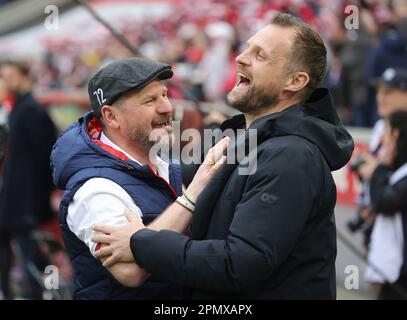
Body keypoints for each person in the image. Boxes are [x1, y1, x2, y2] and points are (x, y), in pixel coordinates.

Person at [91, 13, 354, 299]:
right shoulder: (250, 141)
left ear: (295, 81)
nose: (240, 58)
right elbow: (187, 173)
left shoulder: (291, 155)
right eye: (246, 48)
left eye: (260, 55)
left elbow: (239, 263)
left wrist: (140, 242)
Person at [50, 58, 228, 300]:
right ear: (111, 117)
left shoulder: (158, 158)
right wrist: (192, 195)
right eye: (150, 100)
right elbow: (131, 272)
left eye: (165, 95)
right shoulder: (94, 190)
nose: (167, 107)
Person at [0, 61, 57, 299]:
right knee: (27, 253)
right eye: (4, 77)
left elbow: (45, 157)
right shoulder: (20, 108)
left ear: (24, 76)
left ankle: (42, 293)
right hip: (19, 200)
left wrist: (40, 201)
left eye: (11, 76)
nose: (6, 81)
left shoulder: (31, 110)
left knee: (33, 256)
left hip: (28, 203)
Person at [358, 110, 407, 299]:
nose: (382, 138)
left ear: (395, 135)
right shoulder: (398, 170)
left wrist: (381, 167)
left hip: (399, 274)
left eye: (385, 131)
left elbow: (383, 202)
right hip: (391, 272)